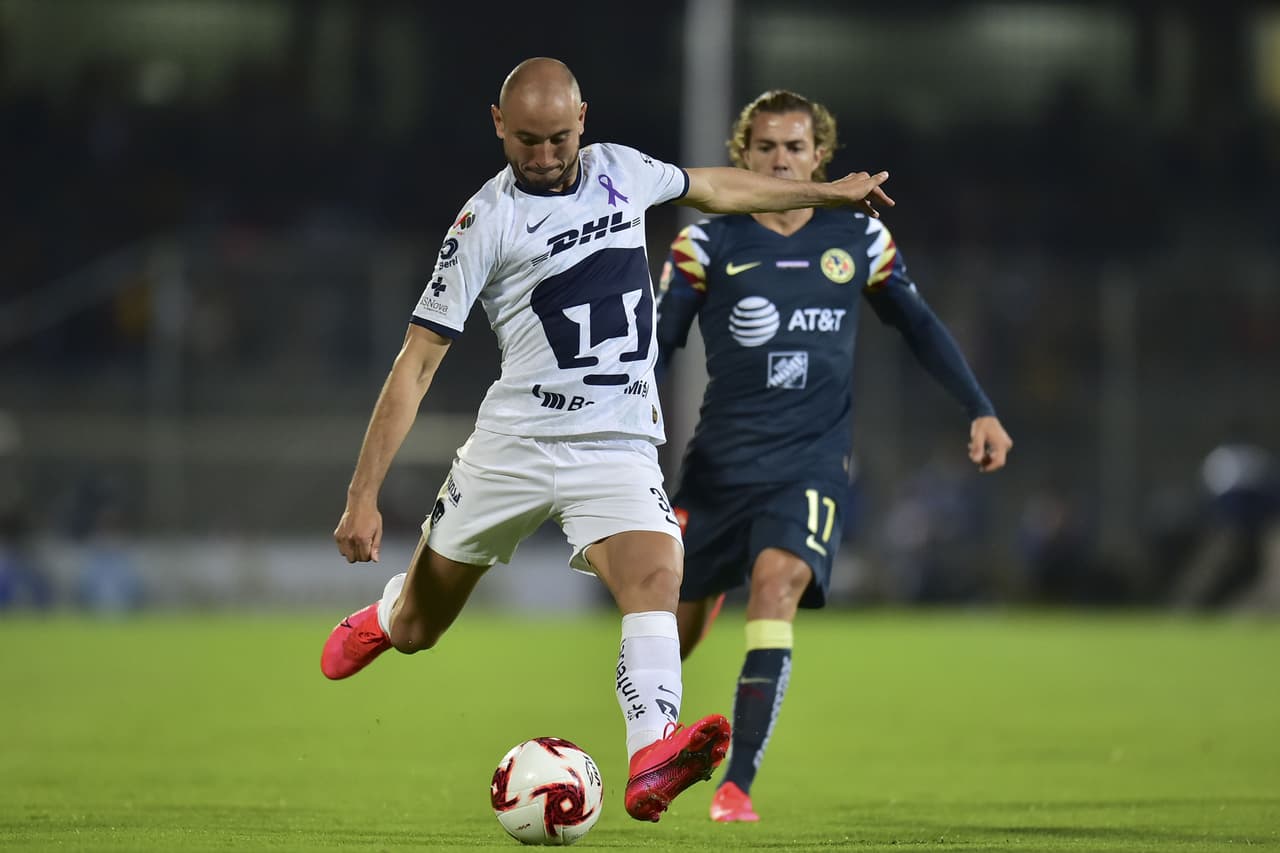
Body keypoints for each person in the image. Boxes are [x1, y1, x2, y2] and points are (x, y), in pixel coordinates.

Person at [320, 60, 895, 824]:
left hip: (616, 442)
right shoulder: (483, 223)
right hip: (515, 445)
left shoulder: (622, 170)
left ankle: (652, 752)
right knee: (425, 627)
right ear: (497, 124)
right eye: (526, 139)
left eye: (559, 137)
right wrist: (362, 496)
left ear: (582, 119)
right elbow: (417, 362)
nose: (546, 154)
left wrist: (824, 193)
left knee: (657, 571)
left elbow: (718, 188)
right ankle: (388, 618)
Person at [654, 90, 1011, 823]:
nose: (780, 160)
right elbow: (655, 349)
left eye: (794, 147)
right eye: (765, 149)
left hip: (808, 465)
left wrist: (980, 407)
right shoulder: (705, 245)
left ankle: (737, 786)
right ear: (742, 157)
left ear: (820, 156)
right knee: (669, 633)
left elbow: (921, 327)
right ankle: (655, 745)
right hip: (719, 468)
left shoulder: (861, 241)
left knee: (778, 584)